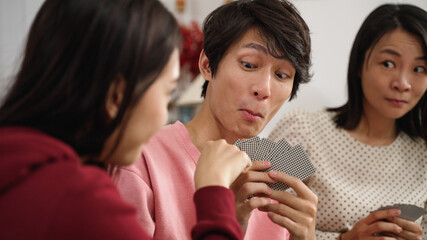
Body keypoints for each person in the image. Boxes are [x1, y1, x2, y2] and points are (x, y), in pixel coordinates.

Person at [0, 0, 253, 239]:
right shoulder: (80, 202)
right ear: (116, 96)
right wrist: (214, 196)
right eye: (167, 92)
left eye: (283, 74)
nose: (263, 89)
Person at [114, 0, 318, 239]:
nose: (264, 89)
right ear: (207, 65)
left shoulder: (279, 181)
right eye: (249, 64)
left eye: (282, 75)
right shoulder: (139, 160)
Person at [270, 3, 427, 240]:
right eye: (388, 64)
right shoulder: (302, 131)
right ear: (359, 65)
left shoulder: (423, 155)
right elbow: (260, 223)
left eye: (419, 68)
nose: (403, 83)